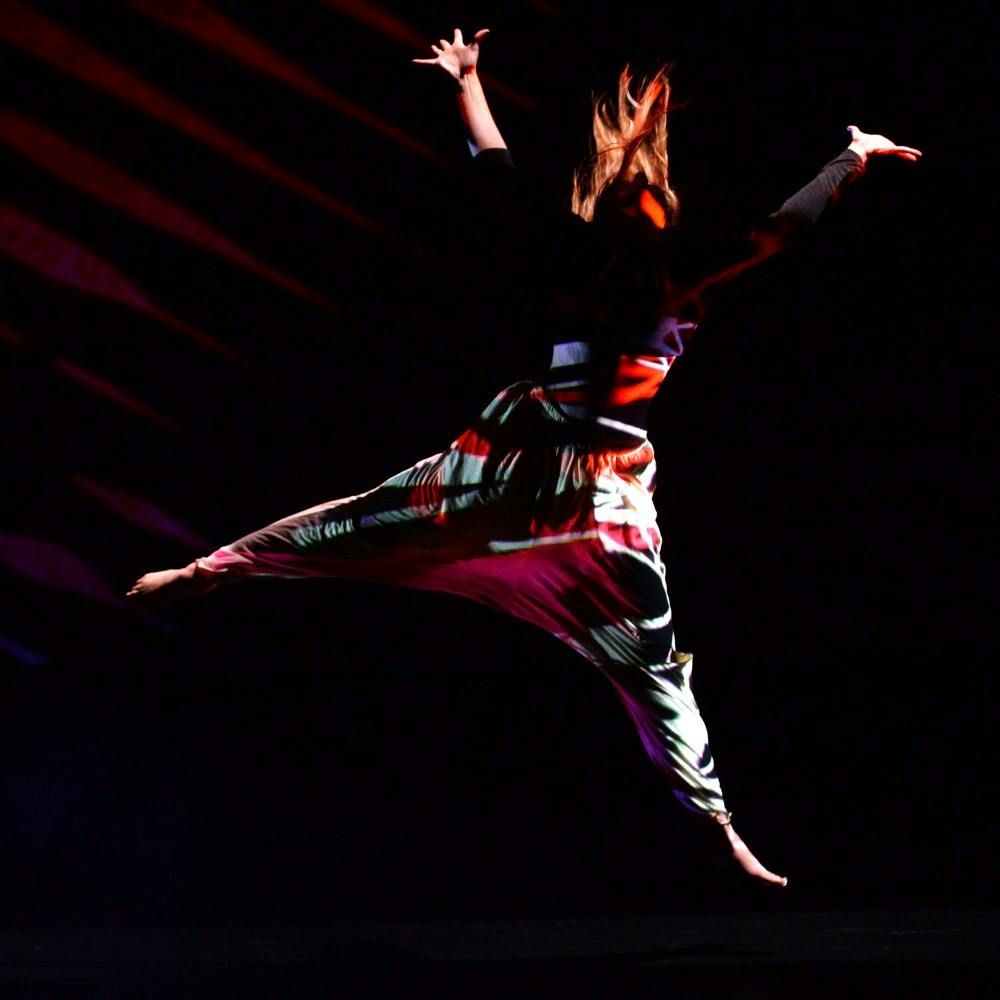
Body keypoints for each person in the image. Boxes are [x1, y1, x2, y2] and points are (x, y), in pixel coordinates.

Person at [127, 28, 921, 887]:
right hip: (537, 456)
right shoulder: (620, 260)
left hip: (589, 478)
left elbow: (770, 224)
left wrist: (852, 158)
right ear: (623, 214)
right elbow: (510, 176)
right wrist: (467, 83)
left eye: (648, 196)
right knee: (387, 518)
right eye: (635, 197)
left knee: (644, 656)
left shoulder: (640, 262)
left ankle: (716, 823)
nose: (642, 204)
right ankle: (213, 569)